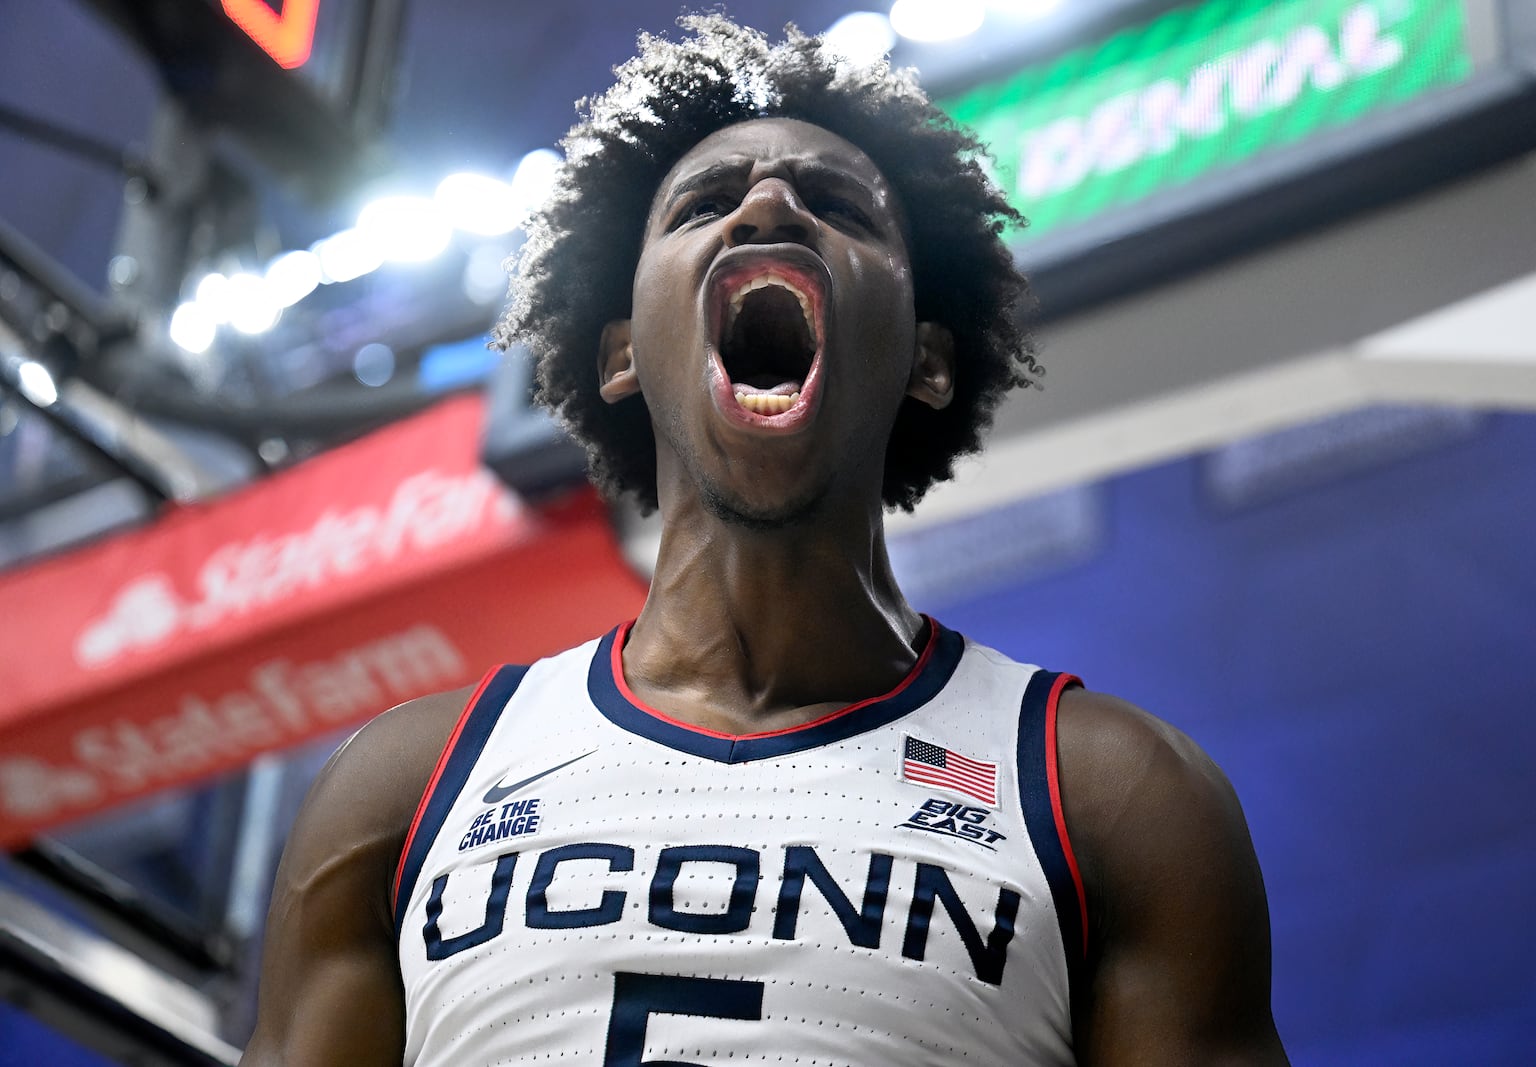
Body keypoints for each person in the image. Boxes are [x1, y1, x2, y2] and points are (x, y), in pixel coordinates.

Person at [242, 15, 1289, 1066]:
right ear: (620, 354)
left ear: (929, 357)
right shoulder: (402, 786)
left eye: (837, 206)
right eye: (703, 204)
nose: (768, 204)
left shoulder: (1109, 793)